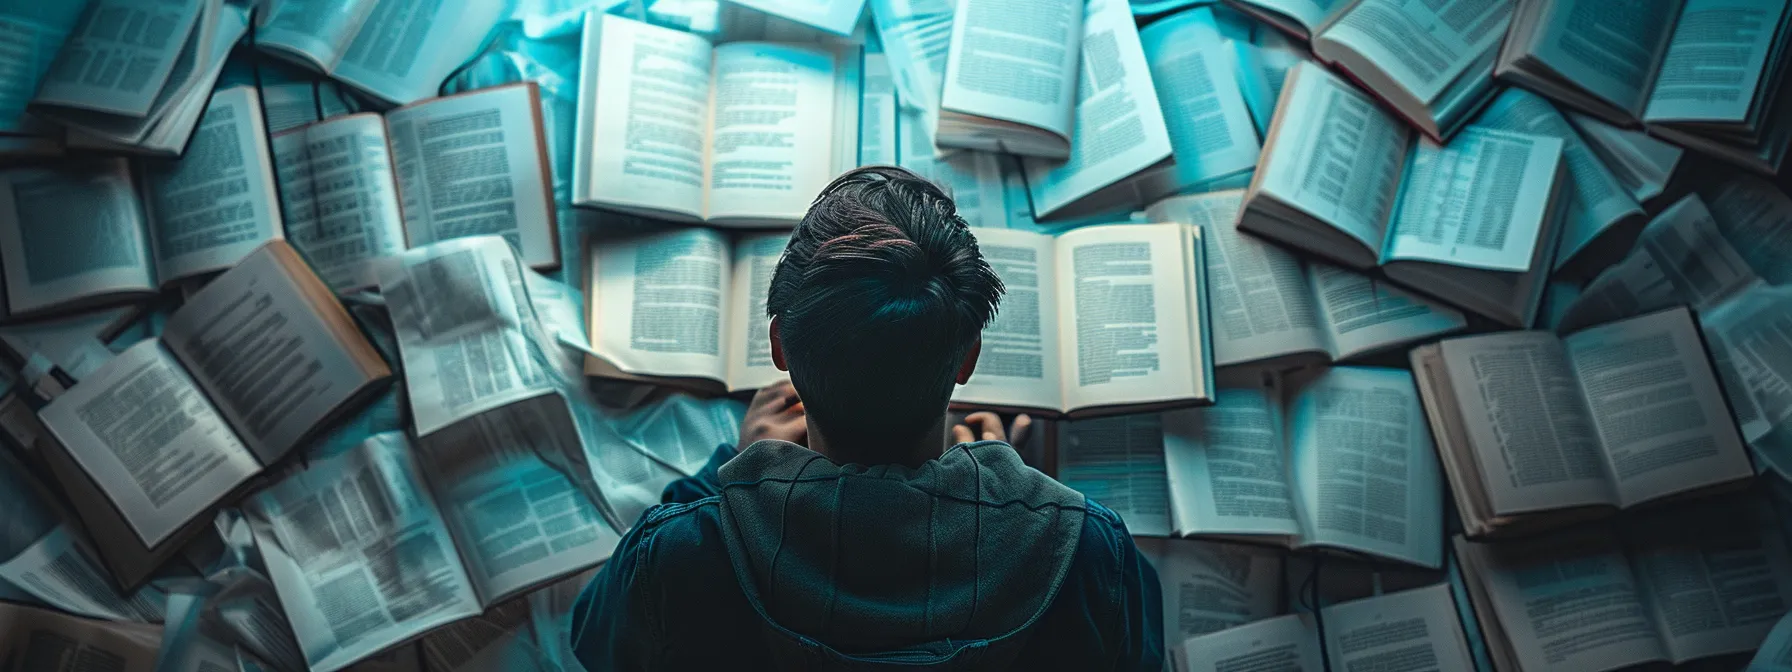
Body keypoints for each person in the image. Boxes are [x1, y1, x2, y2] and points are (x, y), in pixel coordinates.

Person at [570, 166, 1165, 670]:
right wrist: (1010, 487)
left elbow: (591, 637)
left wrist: (734, 469)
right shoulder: (1093, 554)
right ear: (968, 357)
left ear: (780, 349)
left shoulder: (675, 556)